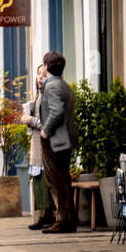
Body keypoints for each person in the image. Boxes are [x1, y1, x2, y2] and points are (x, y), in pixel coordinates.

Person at [36, 51, 77, 233]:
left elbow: (57, 110)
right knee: (63, 179)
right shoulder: (63, 85)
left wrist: (45, 130)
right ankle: (69, 218)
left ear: (46, 66)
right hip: (64, 139)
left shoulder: (52, 86)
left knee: (56, 180)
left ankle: (63, 220)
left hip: (55, 139)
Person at [20, 63, 54, 230]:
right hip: (37, 145)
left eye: (44, 74)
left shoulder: (48, 96)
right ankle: (43, 216)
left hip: (44, 146)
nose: (40, 78)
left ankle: (49, 216)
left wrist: (30, 120)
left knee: (44, 182)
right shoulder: (40, 96)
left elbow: (48, 123)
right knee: (39, 182)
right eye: (38, 74)